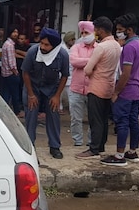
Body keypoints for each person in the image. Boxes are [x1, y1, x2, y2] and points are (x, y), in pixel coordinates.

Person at [101, 14, 139, 166]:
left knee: (122, 122)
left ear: (129, 30)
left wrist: (116, 92)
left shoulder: (129, 47)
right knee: (133, 121)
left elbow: (126, 73)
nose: (118, 32)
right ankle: (132, 151)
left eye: (120, 30)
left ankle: (119, 155)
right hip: (138, 90)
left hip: (127, 90)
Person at [75, 17, 122, 159]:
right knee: (103, 118)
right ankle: (100, 145)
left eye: (95, 30)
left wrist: (92, 71)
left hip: (96, 86)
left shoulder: (101, 47)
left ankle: (94, 148)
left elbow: (88, 69)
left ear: (101, 30)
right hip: (109, 86)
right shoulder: (116, 45)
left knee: (95, 119)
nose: (94, 33)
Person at [21, 27, 69, 159]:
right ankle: (30, 148)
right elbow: (25, 72)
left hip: (51, 89)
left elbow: (64, 76)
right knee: (31, 116)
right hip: (33, 87)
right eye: (42, 43)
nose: (43, 46)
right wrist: (31, 95)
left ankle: (55, 146)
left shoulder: (63, 55)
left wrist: (57, 96)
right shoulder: (32, 52)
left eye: (46, 45)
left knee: (53, 115)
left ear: (54, 46)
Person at [68, 21, 96, 147]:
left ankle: (91, 142)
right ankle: (77, 142)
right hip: (76, 89)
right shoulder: (76, 47)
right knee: (75, 118)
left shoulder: (99, 48)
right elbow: (74, 61)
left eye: (87, 33)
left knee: (93, 119)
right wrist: (91, 61)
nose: (84, 35)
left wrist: (83, 61)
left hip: (93, 89)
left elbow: (100, 63)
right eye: (82, 33)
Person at [0, 27, 22, 113]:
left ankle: (5, 110)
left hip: (5, 73)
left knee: (6, 93)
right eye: (14, 32)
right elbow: (11, 61)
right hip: (10, 73)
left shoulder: (7, 43)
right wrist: (15, 72)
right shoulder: (9, 45)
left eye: (17, 32)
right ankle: (17, 111)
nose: (16, 34)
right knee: (14, 93)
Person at [59, 31, 76, 114]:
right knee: (59, 94)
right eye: (72, 39)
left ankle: (72, 110)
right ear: (68, 40)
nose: (73, 41)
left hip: (71, 75)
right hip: (61, 75)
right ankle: (59, 108)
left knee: (71, 95)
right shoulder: (61, 49)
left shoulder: (74, 48)